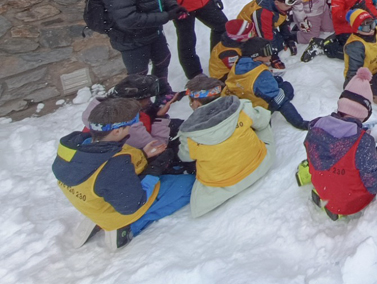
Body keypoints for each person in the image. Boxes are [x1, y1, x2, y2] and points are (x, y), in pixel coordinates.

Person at [53, 99, 195, 249]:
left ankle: (99, 216)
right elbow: (132, 204)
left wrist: (143, 154)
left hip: (91, 202)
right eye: (130, 125)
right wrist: (153, 171)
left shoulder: (75, 145)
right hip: (121, 206)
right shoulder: (114, 165)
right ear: (117, 131)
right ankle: (127, 226)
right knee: (188, 185)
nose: (132, 128)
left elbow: (99, 171)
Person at [177, 75, 275, 218]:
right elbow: (263, 119)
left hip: (221, 187)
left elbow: (184, 157)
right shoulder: (241, 107)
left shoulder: (189, 134)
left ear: (197, 103)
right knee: (260, 122)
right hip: (259, 165)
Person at [301, 68, 377, 219]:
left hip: (323, 187)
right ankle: (339, 206)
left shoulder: (316, 126)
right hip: (351, 203)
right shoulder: (362, 143)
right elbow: (375, 182)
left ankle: (325, 194)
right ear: (366, 112)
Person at [80, 75, 177, 159]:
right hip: (130, 158)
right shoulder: (127, 125)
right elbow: (158, 147)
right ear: (136, 102)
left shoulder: (101, 109)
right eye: (147, 99)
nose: (149, 101)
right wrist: (161, 117)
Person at [224, 38, 308, 130]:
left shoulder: (238, 64)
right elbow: (280, 101)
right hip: (255, 111)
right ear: (256, 56)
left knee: (277, 81)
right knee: (286, 87)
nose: (270, 55)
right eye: (267, 52)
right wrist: (300, 123)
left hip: (241, 102)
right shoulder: (261, 75)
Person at [236, 0, 298, 69]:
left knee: (280, 41)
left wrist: (288, 38)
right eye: (287, 5)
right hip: (249, 34)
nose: (290, 7)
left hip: (267, 25)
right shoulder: (263, 13)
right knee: (276, 46)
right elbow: (265, 36)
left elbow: (284, 19)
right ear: (276, 2)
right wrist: (273, 55)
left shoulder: (277, 1)